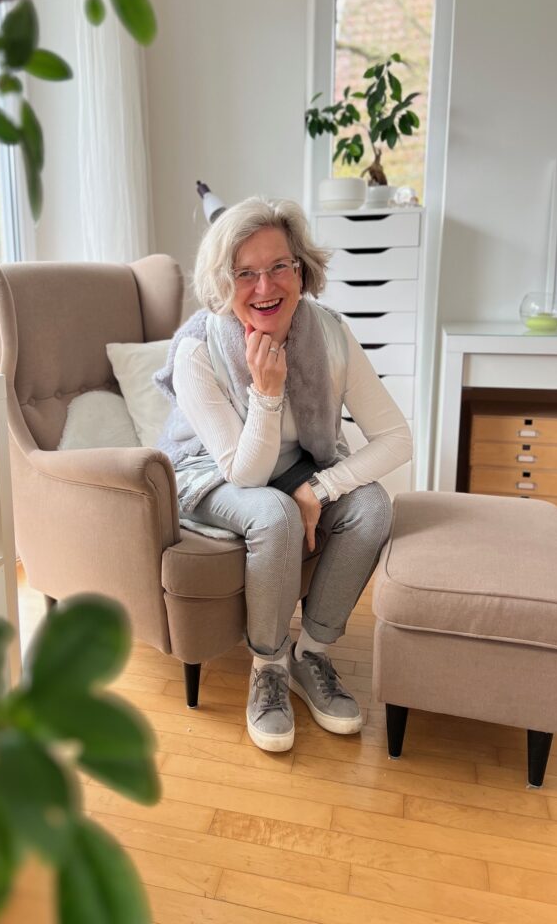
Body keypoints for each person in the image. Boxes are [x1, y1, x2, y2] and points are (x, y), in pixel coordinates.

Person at [154, 197, 412, 753]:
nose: (265, 286)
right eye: (244, 273)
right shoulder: (198, 348)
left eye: (279, 266)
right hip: (210, 472)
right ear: (223, 282)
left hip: (297, 469)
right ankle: (268, 666)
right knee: (273, 513)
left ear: (302, 270)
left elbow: (397, 438)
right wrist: (266, 393)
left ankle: (310, 654)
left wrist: (318, 487)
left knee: (372, 506)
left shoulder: (331, 335)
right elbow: (244, 474)